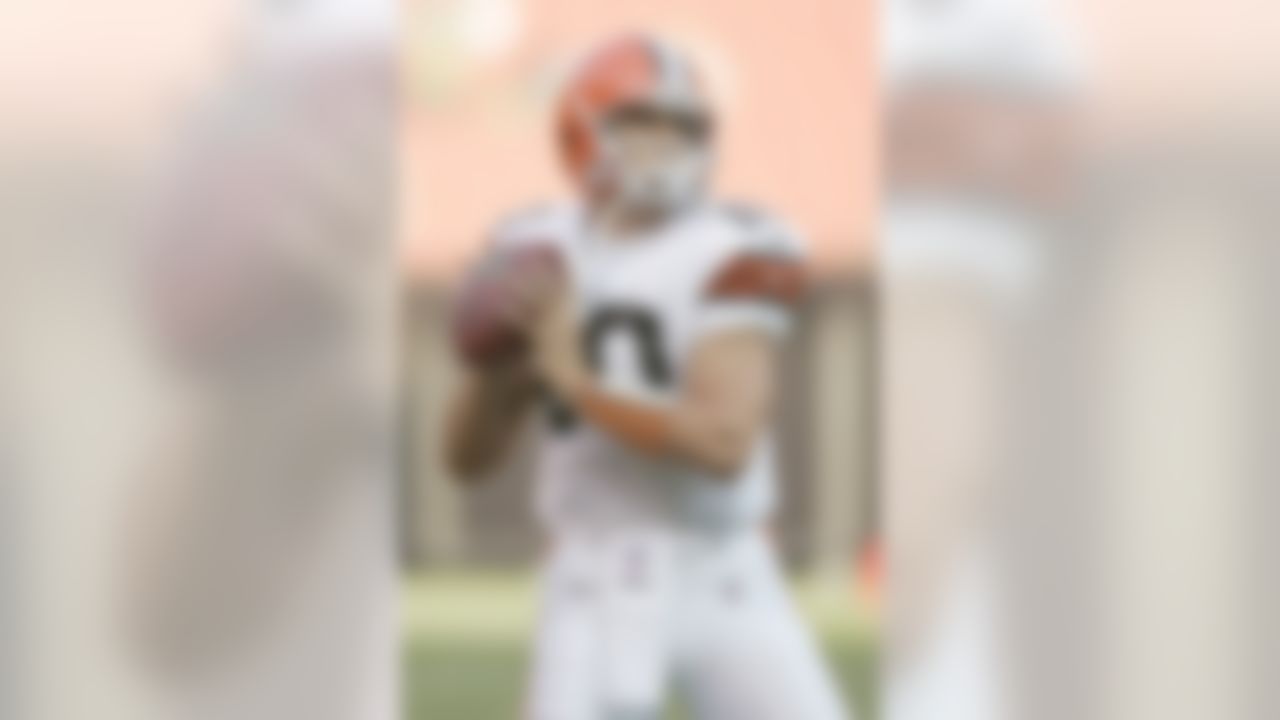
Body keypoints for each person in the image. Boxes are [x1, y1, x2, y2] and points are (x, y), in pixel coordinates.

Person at [444, 33, 851, 720]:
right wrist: (496, 374)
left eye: (683, 124)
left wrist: (578, 384)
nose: (668, 143)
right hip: (588, 577)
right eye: (642, 123)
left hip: (722, 575)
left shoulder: (737, 246)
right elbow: (464, 460)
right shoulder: (531, 249)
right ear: (582, 133)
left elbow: (724, 445)